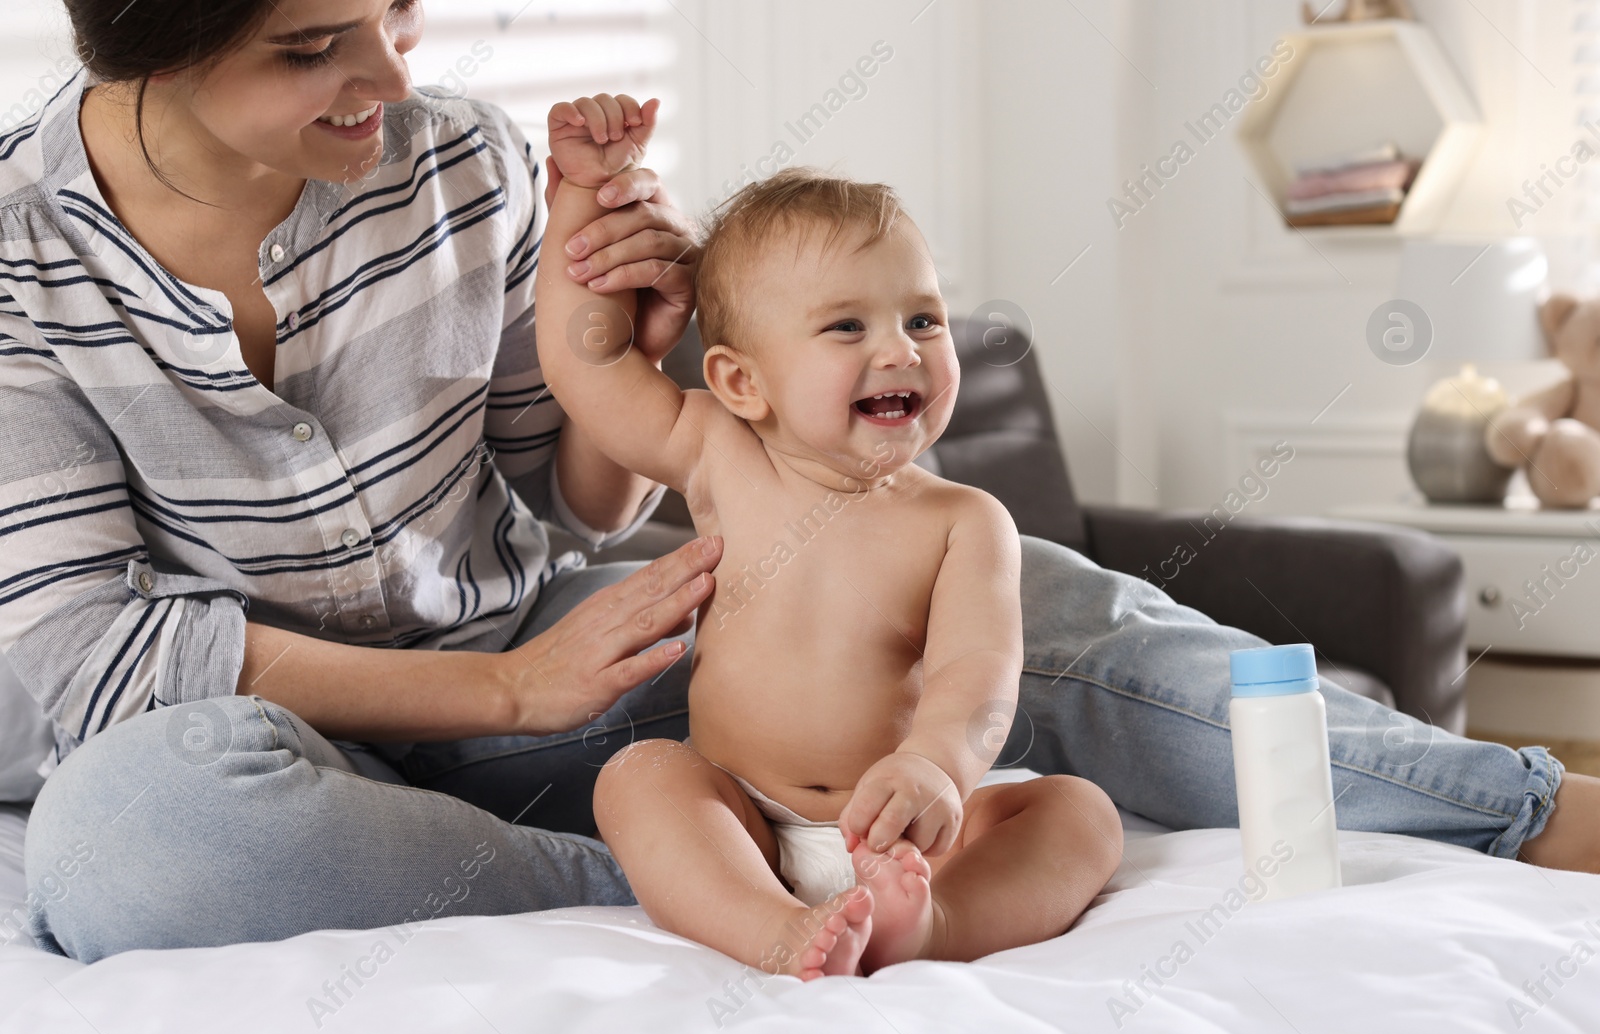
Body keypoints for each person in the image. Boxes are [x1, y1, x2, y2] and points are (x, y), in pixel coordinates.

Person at [5, 0, 1596, 966]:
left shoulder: (461, 159)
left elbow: (575, 493)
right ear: (153, 37)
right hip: (276, 738)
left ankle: (1516, 804)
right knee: (114, 854)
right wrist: (507, 696)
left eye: (399, 20)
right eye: (311, 49)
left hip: (576, 655)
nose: (387, 76)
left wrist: (623, 339)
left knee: (971, 592)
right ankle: (721, 881)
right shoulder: (17, 250)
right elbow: (90, 661)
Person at [535, 97, 1123, 980]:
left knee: (1083, 815)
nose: (901, 351)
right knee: (640, 778)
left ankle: (932, 923)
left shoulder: (962, 521)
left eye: (923, 319)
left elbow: (978, 677)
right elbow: (586, 366)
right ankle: (771, 928)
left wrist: (935, 766)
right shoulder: (716, 450)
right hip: (749, 821)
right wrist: (584, 198)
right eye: (848, 326)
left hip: (904, 830)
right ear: (740, 381)